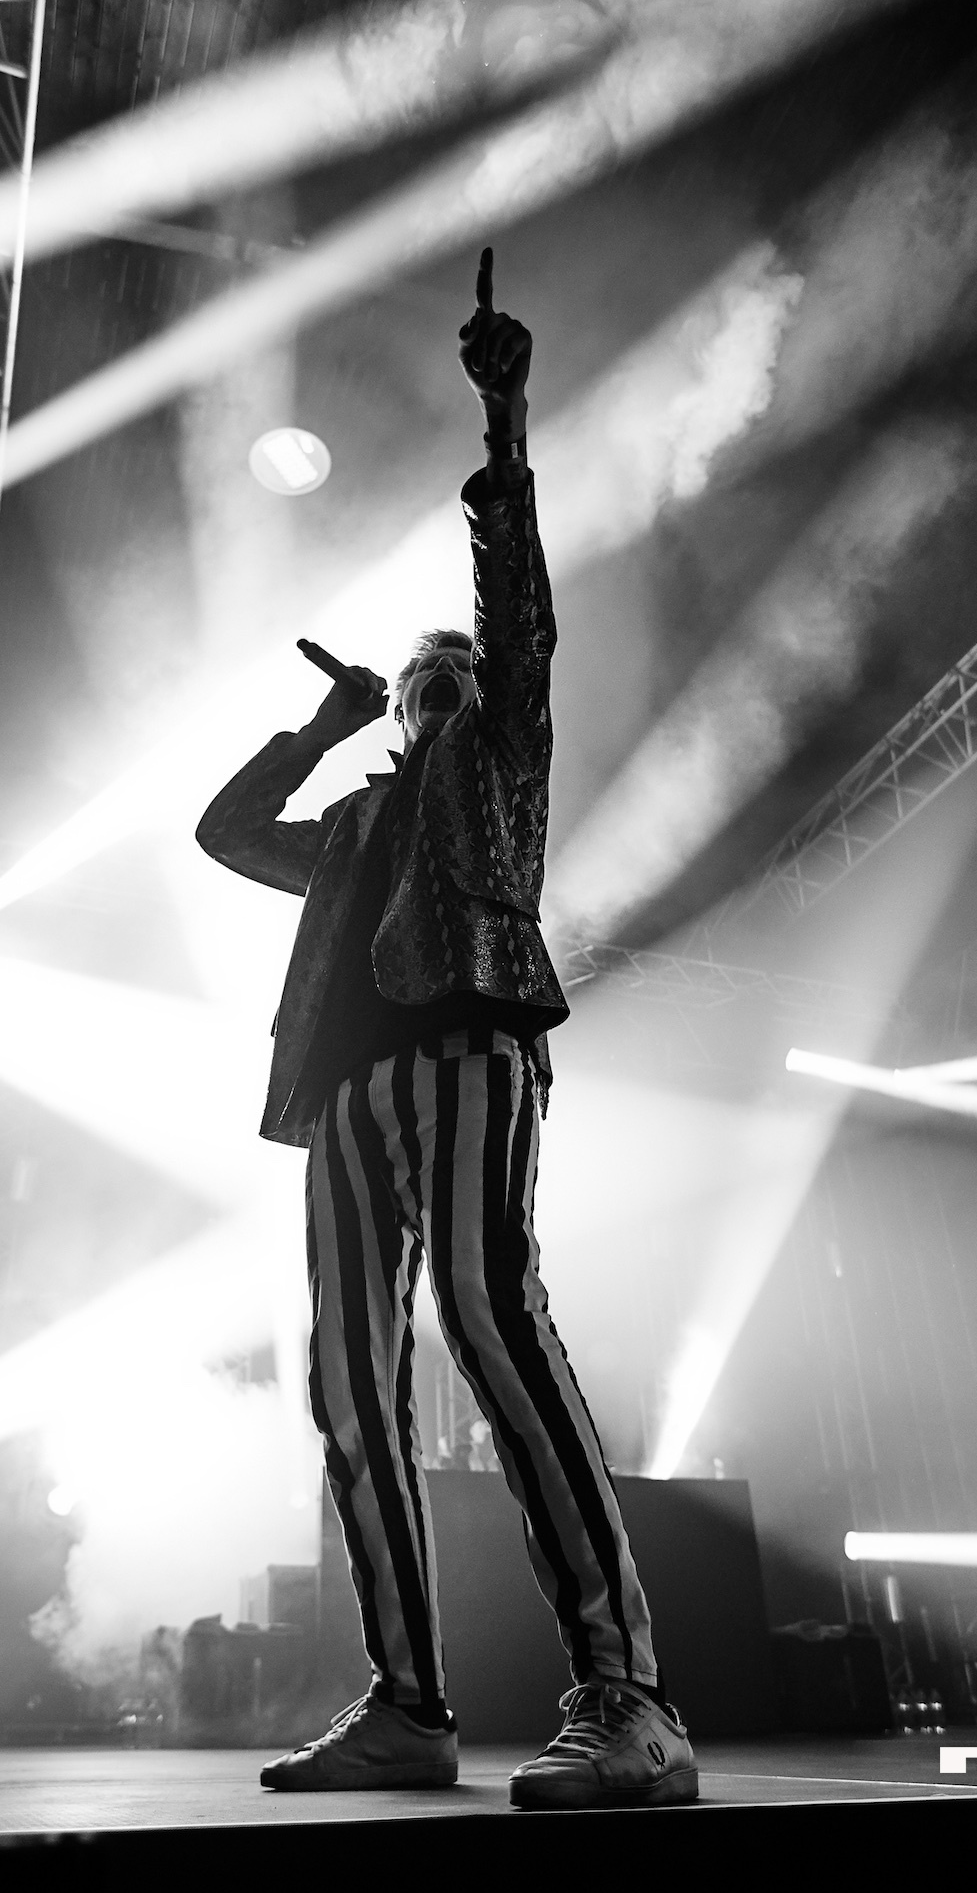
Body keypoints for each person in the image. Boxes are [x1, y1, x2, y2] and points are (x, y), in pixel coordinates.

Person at [196, 249, 697, 1810]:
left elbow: (518, 614)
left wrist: (506, 429)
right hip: (339, 1095)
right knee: (351, 1390)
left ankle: (631, 1699)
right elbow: (224, 833)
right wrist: (322, 725)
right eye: (420, 681)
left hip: (471, 1041)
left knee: (489, 1316)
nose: (437, 683)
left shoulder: (501, 756)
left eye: (449, 675)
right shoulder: (355, 824)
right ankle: (408, 1708)